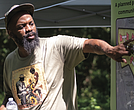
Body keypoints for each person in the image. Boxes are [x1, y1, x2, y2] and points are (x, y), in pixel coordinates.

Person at [0, 3, 133, 110]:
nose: (29, 29)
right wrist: (4, 106)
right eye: (22, 26)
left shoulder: (56, 46)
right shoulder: (10, 61)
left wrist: (109, 50)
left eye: (31, 23)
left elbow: (89, 44)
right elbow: (10, 95)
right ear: (10, 33)